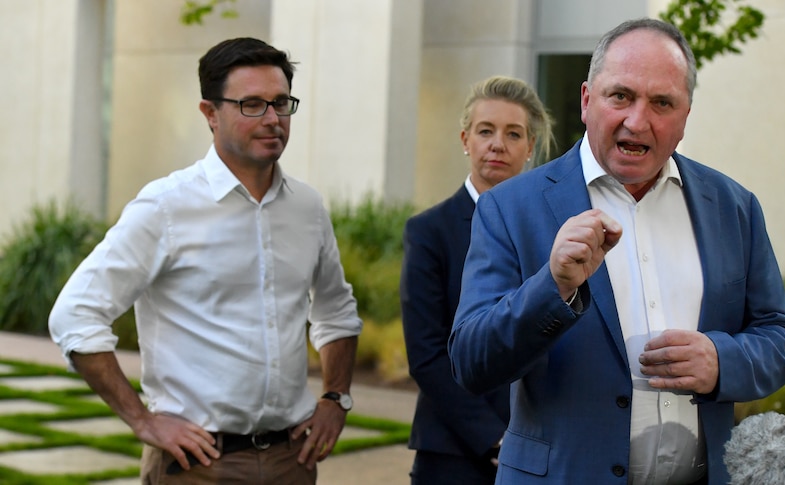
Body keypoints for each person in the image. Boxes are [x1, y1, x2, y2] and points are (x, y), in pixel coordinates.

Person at [448, 18, 785, 484]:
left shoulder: (733, 206)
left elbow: (783, 334)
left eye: (661, 102)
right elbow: (471, 362)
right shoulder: (511, 207)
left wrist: (722, 361)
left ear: (685, 116)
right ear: (586, 100)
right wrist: (552, 287)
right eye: (621, 96)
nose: (637, 121)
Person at [48, 37, 362, 484]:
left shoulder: (307, 208)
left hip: (292, 461)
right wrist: (142, 420)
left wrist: (336, 398)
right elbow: (75, 316)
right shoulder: (165, 206)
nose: (273, 119)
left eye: (280, 103)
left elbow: (336, 312)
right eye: (251, 104)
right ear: (210, 114)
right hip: (198, 466)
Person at [400, 75, 554, 485]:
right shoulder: (429, 231)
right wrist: (494, 439)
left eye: (513, 133)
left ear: (530, 147)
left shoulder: (555, 233)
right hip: (453, 453)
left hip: (545, 450)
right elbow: (426, 354)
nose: (497, 144)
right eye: (486, 131)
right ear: (466, 139)